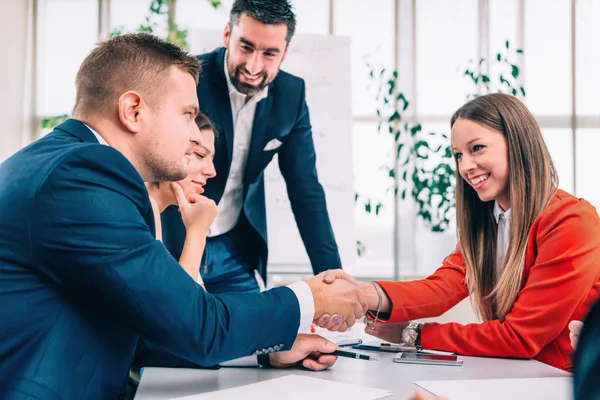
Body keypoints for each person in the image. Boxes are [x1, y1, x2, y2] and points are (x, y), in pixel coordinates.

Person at [0, 33, 367, 399]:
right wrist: (310, 297)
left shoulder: (67, 162)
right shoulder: (82, 174)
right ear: (133, 111)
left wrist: (266, 352)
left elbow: (146, 330)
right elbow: (196, 324)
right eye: (188, 115)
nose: (195, 135)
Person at [322, 93, 600, 372]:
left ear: (517, 144)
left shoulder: (571, 221)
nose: (464, 167)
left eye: (477, 148)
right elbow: (442, 288)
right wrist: (361, 293)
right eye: (458, 155)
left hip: (568, 382)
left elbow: (520, 337)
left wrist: (415, 335)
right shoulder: (489, 223)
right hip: (522, 376)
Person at [161, 0, 343, 294]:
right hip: (174, 241)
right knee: (180, 333)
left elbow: (305, 189)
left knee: (256, 336)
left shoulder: (290, 95)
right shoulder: (187, 80)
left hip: (236, 249)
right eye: (245, 47)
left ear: (285, 52)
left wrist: (332, 277)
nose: (254, 66)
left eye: (269, 53)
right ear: (226, 35)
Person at [146, 112, 218, 284]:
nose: (212, 171)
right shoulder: (143, 209)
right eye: (200, 155)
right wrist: (198, 231)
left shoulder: (155, 216)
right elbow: (178, 307)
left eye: (212, 159)